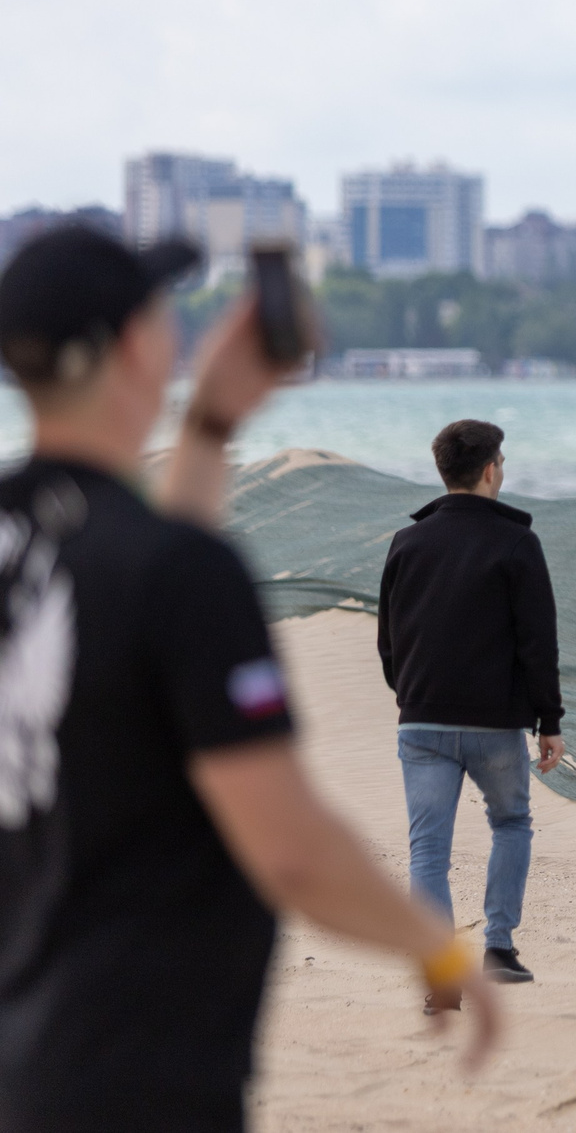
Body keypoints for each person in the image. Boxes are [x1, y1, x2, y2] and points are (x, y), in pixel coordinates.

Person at [0, 226, 497, 1133]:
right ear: (137, 346)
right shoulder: (178, 573)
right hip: (136, 1078)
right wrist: (437, 950)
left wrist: (212, 421)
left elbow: (128, 593)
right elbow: (292, 849)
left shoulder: (38, 542)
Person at [378, 418, 564, 990]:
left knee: (427, 850)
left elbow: (388, 639)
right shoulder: (517, 542)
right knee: (511, 823)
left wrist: (410, 694)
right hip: (494, 724)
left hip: (422, 721)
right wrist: (549, 720)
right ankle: (499, 950)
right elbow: (538, 641)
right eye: (501, 463)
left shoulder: (407, 542)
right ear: (489, 470)